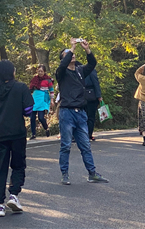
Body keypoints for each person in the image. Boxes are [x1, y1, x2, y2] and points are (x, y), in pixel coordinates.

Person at [56, 38, 108, 185]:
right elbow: (62, 65)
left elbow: (92, 64)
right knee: (66, 145)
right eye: (68, 54)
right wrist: (71, 48)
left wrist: (87, 49)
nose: (72, 55)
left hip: (81, 112)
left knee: (85, 145)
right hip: (67, 112)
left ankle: (92, 173)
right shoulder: (61, 73)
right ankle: (64, 174)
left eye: (72, 53)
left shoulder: (80, 71)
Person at [0, 60, 34, 217]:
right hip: (17, 132)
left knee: (0, 168)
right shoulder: (20, 87)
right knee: (18, 165)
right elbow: (28, 110)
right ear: (12, 72)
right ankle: (14, 195)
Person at [29, 65, 54, 139]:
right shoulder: (34, 79)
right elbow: (30, 89)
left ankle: (46, 128)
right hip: (35, 98)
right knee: (32, 117)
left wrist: (52, 100)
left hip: (43, 98)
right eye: (39, 71)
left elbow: (51, 91)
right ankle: (33, 134)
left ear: (44, 72)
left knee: (41, 117)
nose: (40, 73)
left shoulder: (48, 80)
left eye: (41, 71)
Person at [84, 69, 102, 141]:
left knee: (84, 117)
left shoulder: (79, 71)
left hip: (82, 97)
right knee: (90, 117)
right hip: (91, 97)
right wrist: (99, 96)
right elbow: (96, 83)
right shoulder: (91, 71)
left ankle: (84, 134)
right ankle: (88, 134)